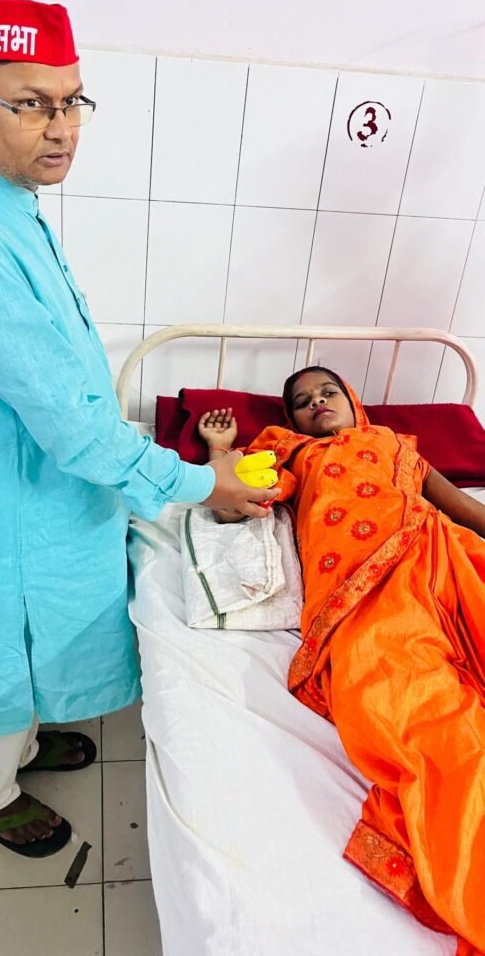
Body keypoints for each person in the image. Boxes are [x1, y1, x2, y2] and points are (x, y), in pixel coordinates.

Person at [0, 0, 277, 858]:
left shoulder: (1, 205)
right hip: (18, 503)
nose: (62, 127)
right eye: (31, 103)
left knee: (29, 640)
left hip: (43, 490)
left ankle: (22, 747)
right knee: (5, 644)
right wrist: (201, 483)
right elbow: (73, 429)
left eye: (72, 100)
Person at [198, 367, 485, 956]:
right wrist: (221, 451)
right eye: (302, 402)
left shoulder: (395, 445)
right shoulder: (290, 453)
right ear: (292, 420)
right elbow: (230, 509)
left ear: (353, 400)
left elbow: (462, 508)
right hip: (363, 596)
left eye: (327, 392)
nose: (317, 404)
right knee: (433, 728)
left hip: (442, 557)